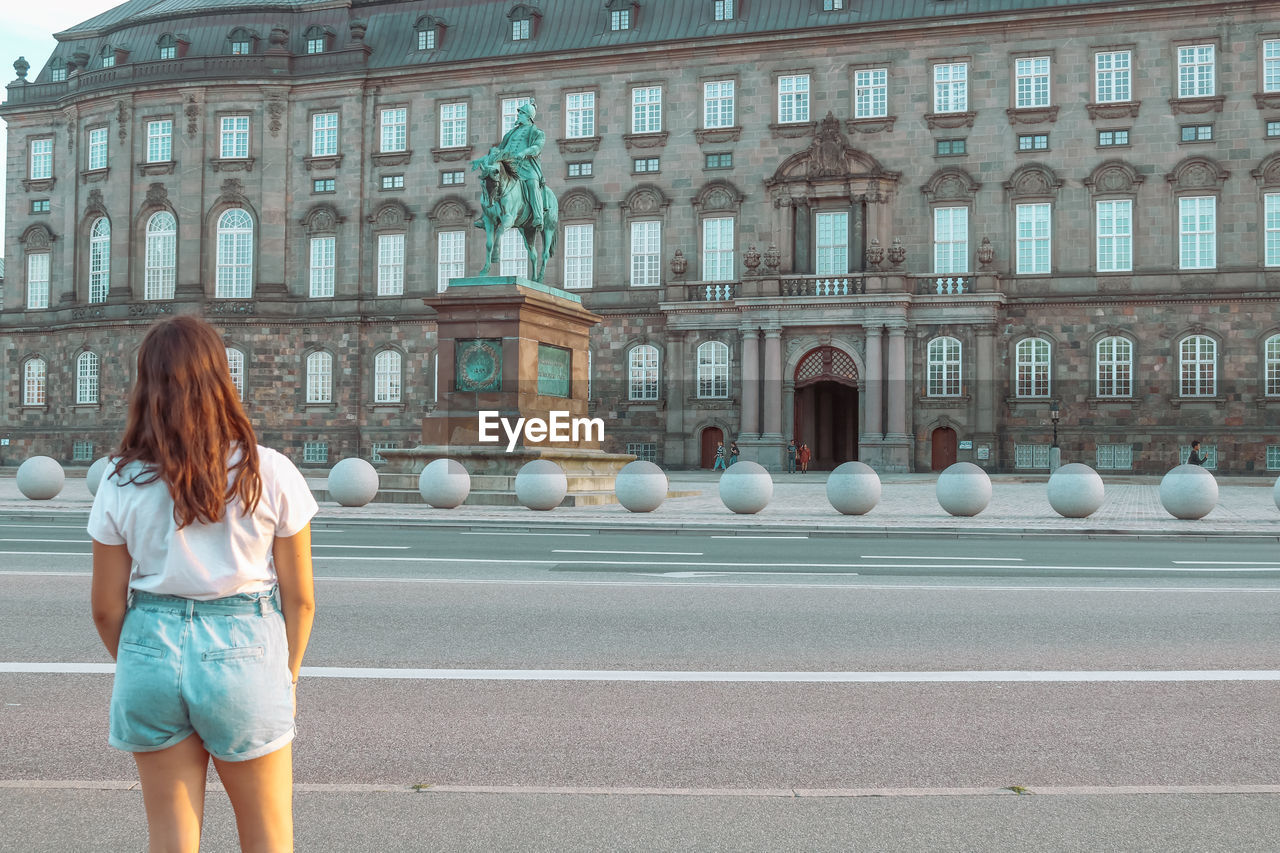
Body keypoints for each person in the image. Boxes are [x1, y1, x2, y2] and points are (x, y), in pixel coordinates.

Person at [88, 315, 318, 853]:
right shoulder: (272, 471)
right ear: (222, 379)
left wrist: (143, 654)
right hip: (244, 651)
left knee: (170, 839)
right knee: (267, 838)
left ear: (146, 387)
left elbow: (103, 608)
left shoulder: (120, 478)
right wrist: (288, 674)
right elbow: (301, 597)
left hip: (149, 647)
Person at [474, 100, 546, 228]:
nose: (518, 116)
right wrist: (483, 159)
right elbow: (500, 150)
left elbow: (537, 147)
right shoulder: (510, 133)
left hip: (526, 166)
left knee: (532, 183)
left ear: (528, 116)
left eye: (521, 113)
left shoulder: (536, 132)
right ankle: (486, 215)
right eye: (519, 113)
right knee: (490, 179)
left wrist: (525, 152)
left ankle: (538, 215)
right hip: (508, 166)